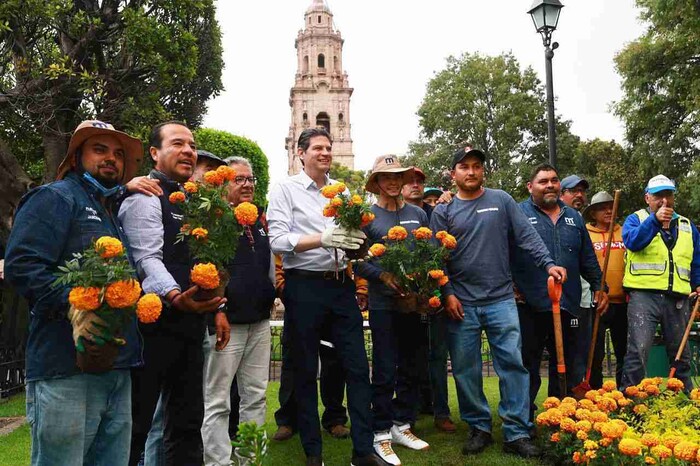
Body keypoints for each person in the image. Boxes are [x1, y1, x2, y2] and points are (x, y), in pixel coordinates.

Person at [5, 120, 144, 465]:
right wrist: (79, 305)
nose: (111, 159)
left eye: (118, 154)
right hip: (64, 366)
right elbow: (22, 265)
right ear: (76, 156)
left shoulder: (110, 209)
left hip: (117, 365)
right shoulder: (54, 197)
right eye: (99, 150)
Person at [430, 147, 565, 459]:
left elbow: (528, 237)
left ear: (483, 172)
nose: (471, 172)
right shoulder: (443, 212)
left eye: (477, 166)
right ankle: (479, 428)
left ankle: (517, 431)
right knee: (465, 369)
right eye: (464, 167)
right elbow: (437, 259)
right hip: (461, 303)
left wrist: (548, 263)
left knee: (513, 366)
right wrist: (447, 292)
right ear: (453, 174)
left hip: (501, 300)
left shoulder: (501, 200)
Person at [267, 127, 381, 466]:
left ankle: (363, 451)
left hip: (341, 285)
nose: (325, 153)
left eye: (328, 148)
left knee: (358, 368)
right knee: (304, 370)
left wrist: (357, 243)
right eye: (317, 148)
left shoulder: (341, 192)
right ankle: (313, 452)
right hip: (304, 286)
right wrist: (322, 238)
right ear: (301, 153)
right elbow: (277, 240)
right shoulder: (285, 190)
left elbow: (352, 239)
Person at [119, 121, 225, 466]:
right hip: (153, 329)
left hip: (189, 326)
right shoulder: (146, 195)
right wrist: (177, 295)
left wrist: (213, 304)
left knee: (187, 422)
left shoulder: (191, 199)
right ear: (155, 153)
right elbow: (146, 257)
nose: (188, 151)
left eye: (192, 145)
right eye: (177, 143)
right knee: (138, 422)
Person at [511, 164, 608, 422]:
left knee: (566, 365)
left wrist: (600, 287)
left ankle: (560, 419)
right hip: (529, 305)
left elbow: (587, 259)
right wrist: (510, 285)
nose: (550, 185)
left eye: (554, 180)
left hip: (568, 304)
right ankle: (525, 421)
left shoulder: (573, 218)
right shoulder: (518, 214)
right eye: (543, 181)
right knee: (527, 365)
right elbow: (505, 254)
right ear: (530, 187)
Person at [201, 156, 276, 465]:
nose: (247, 185)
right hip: (226, 324)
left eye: (250, 180)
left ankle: (250, 459)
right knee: (218, 401)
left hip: (259, 322)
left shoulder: (258, 221)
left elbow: (269, 269)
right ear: (223, 184)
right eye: (239, 179)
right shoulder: (213, 221)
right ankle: (218, 461)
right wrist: (216, 311)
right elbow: (205, 273)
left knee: (256, 396)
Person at [356, 155, 430, 465]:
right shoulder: (366, 217)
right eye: (386, 176)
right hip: (383, 303)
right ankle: (381, 433)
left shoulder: (418, 213)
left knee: (412, 366)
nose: (393, 181)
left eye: (398, 175)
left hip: (413, 303)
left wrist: (429, 286)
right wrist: (382, 275)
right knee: (385, 369)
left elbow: (427, 254)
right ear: (376, 182)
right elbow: (357, 260)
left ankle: (403, 424)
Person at [621, 175, 700, 390]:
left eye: (668, 195)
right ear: (647, 197)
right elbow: (633, 242)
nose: (664, 200)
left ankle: (685, 403)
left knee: (681, 354)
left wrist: (698, 283)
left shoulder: (687, 225)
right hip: (644, 297)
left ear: (674, 197)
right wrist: (654, 221)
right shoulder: (634, 219)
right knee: (638, 351)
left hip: (678, 298)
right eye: (658, 196)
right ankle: (631, 402)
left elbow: (696, 259)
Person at [273, 251, 352, 442]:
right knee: (294, 360)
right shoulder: (292, 222)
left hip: (333, 295)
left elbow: (348, 259)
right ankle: (288, 420)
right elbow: (277, 258)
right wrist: (286, 290)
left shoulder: (337, 221)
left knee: (333, 359)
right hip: (299, 297)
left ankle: (334, 418)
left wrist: (360, 290)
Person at [400, 167, 456, 432]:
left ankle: (440, 411)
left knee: (436, 355)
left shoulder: (434, 214)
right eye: (409, 181)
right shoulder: (392, 214)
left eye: (419, 182)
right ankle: (406, 415)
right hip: (400, 297)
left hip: (433, 294)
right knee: (408, 357)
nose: (415, 185)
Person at [583, 191, 627, 388]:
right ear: (593, 213)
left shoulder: (625, 231)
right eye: (602, 208)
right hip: (597, 302)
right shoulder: (584, 233)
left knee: (624, 353)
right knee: (595, 353)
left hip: (623, 302)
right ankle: (596, 398)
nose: (609, 210)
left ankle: (624, 395)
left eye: (611, 206)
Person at [559, 174, 594, 391]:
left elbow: (589, 263)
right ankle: (561, 398)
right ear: (561, 194)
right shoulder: (554, 220)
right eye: (573, 190)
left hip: (584, 302)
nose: (579, 195)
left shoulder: (581, 222)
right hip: (559, 301)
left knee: (580, 352)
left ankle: (576, 399)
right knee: (565, 354)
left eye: (582, 191)